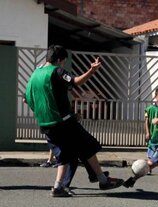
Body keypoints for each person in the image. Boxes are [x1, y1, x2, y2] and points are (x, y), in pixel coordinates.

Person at [25, 45, 123, 197]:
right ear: (59, 60)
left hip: (45, 123)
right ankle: (102, 179)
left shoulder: (34, 74)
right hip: (63, 121)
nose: (63, 64)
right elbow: (76, 81)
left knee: (67, 154)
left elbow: (27, 98)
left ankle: (60, 187)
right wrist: (92, 70)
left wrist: (43, 113)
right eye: (63, 61)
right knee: (87, 146)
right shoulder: (57, 71)